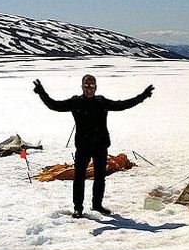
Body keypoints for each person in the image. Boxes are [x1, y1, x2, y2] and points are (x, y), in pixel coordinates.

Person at [33, 75, 154, 218]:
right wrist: (42, 93)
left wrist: (143, 96)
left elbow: (123, 105)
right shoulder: (76, 102)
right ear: (82, 87)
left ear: (96, 87)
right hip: (83, 147)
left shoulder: (101, 102)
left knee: (99, 177)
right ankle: (78, 208)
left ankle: (97, 205)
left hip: (100, 146)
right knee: (79, 178)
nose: (89, 89)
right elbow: (54, 105)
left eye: (91, 86)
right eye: (86, 85)